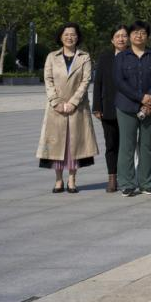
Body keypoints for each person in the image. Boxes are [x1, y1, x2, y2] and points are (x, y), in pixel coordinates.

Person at [38, 23, 97, 194]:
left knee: (74, 145)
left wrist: (73, 102)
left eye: (73, 34)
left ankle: (72, 179)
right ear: (61, 37)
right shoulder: (52, 56)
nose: (69, 37)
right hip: (55, 109)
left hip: (77, 108)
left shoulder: (84, 57)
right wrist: (56, 102)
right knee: (57, 145)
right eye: (66, 34)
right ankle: (58, 180)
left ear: (78, 37)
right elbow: (48, 80)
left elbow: (86, 81)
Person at [114, 20, 151, 197]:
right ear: (130, 36)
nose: (139, 35)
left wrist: (150, 96)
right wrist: (140, 97)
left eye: (142, 32)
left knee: (147, 145)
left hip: (150, 107)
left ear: (147, 36)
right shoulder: (121, 57)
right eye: (135, 32)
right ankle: (126, 183)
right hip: (126, 106)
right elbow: (120, 82)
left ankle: (147, 182)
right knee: (126, 145)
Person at [91, 25, 127, 192]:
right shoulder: (105, 57)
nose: (121, 39)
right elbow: (98, 82)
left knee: (127, 145)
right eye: (117, 36)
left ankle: (127, 176)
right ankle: (112, 177)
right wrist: (97, 106)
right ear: (112, 40)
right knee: (111, 144)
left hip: (129, 108)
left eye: (124, 36)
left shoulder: (133, 56)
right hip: (109, 108)